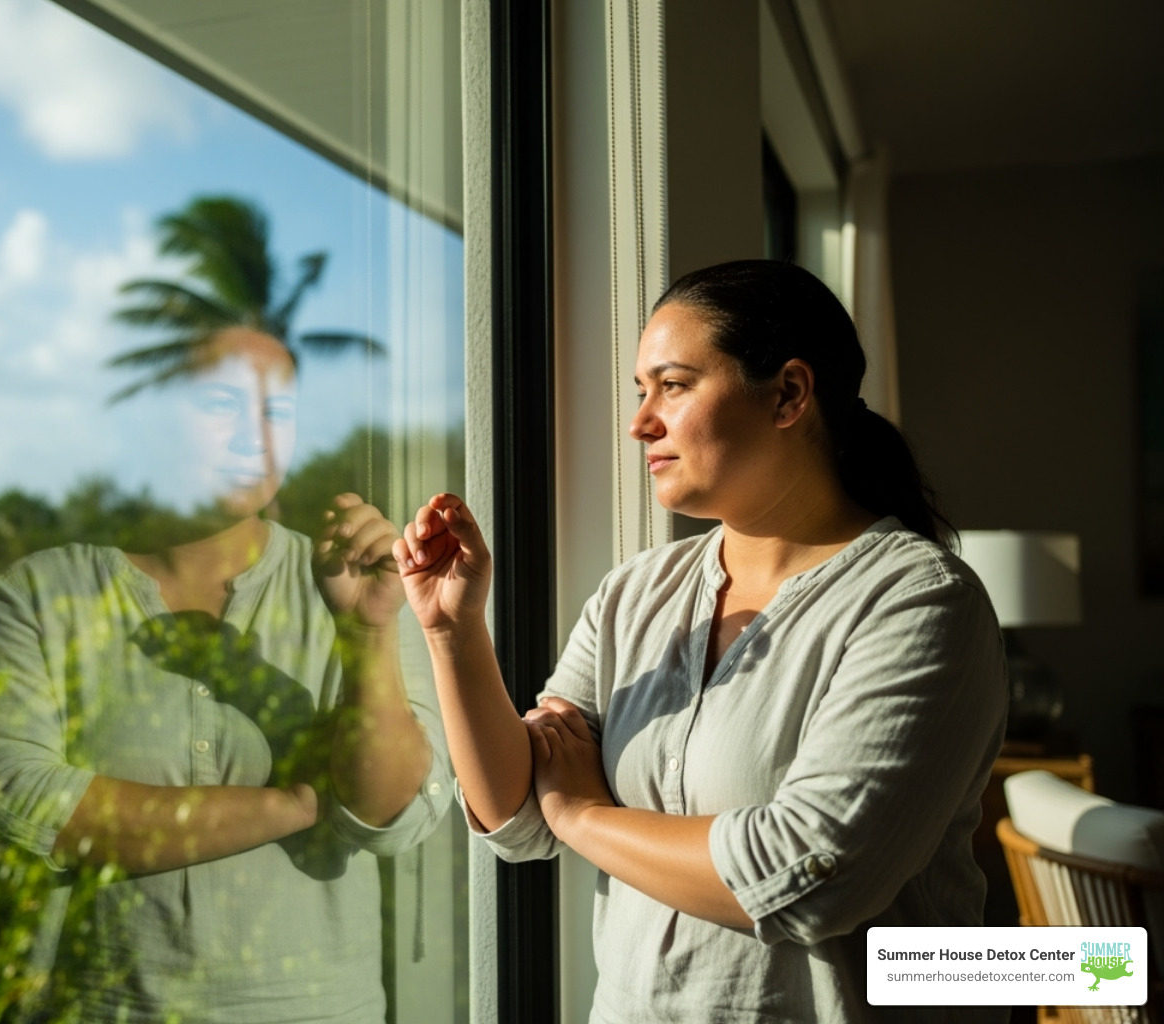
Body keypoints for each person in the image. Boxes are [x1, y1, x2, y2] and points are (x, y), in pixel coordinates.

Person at [394, 260, 1007, 1023]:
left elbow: (811, 879)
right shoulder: (634, 594)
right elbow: (519, 814)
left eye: (673, 386)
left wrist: (585, 815)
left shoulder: (918, 602)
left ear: (788, 393)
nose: (639, 422)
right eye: (640, 392)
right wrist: (453, 633)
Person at [0, 326, 451, 1024]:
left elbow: (391, 816)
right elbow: (30, 805)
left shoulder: (360, 584)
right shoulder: (43, 593)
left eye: (277, 411)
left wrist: (367, 631)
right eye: (221, 404)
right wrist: (293, 805)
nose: (253, 435)